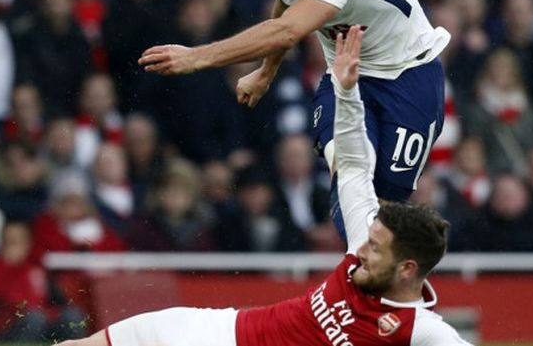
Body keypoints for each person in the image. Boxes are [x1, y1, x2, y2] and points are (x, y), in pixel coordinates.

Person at [62, 26, 471, 346]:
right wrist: (346, 92)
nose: (361, 247)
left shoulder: (420, 330)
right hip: (216, 332)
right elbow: (351, 165)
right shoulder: (365, 237)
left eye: (376, 248)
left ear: (408, 269)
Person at [138, 0, 449, 236]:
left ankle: (385, 283)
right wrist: (266, 72)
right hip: (347, 80)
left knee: (385, 210)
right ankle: (356, 282)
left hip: (409, 78)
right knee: (349, 183)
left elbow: (287, 31)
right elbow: (286, 7)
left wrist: (197, 57)